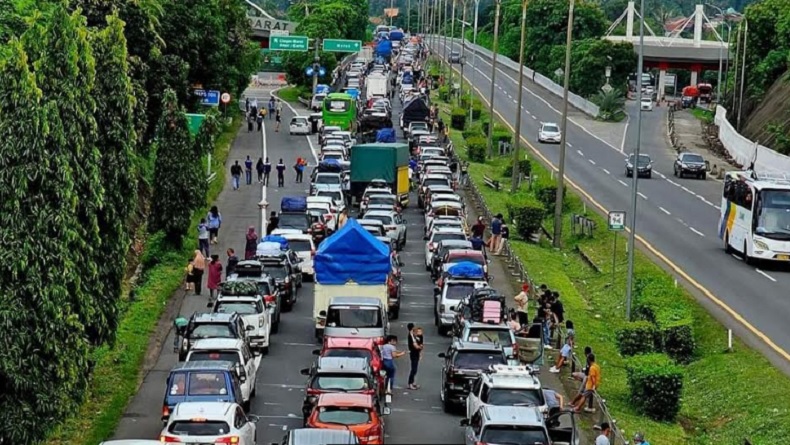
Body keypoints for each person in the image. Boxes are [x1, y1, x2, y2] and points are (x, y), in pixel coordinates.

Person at [407, 324, 424, 390]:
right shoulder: (411, 335)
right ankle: (410, 383)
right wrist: (419, 347)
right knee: (414, 369)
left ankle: (413, 382)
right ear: (412, 328)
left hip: (416, 353)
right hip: (413, 353)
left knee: (415, 369)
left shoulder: (413, 335)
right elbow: (415, 345)